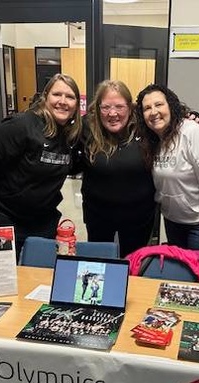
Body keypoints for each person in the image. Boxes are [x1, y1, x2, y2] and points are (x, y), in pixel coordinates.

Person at [0, 74, 83, 255]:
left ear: (76, 104)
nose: (63, 101)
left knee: (39, 275)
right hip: (6, 217)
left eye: (70, 97)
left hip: (43, 220)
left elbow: (70, 165)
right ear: (45, 97)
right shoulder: (22, 125)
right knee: (2, 277)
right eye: (57, 94)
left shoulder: (70, 135)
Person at [135, 84, 199, 250]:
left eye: (159, 104)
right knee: (178, 274)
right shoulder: (154, 140)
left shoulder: (192, 133)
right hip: (173, 222)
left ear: (171, 105)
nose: (153, 112)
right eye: (147, 108)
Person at [78, 80, 156, 257]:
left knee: (134, 266)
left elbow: (168, 117)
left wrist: (192, 116)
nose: (112, 113)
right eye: (106, 107)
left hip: (139, 218)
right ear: (97, 108)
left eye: (119, 106)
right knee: (99, 265)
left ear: (130, 107)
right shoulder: (87, 127)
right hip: (98, 217)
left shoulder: (144, 128)